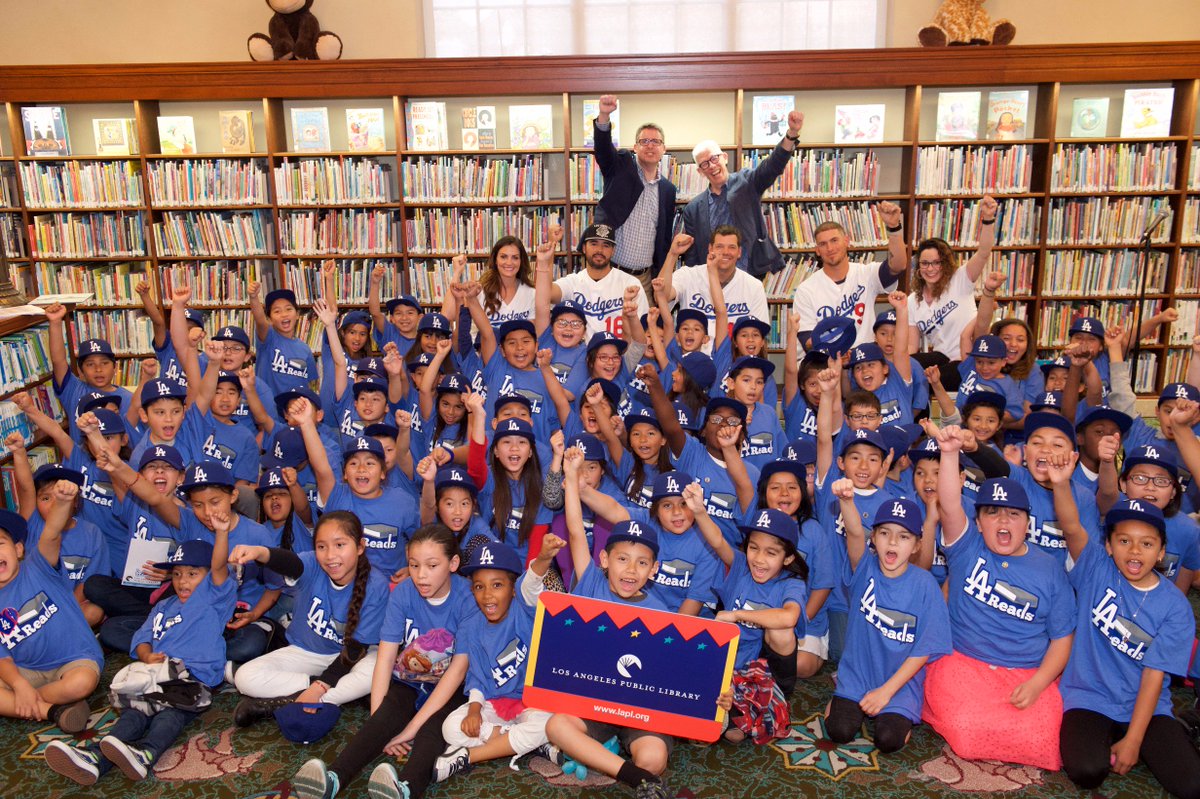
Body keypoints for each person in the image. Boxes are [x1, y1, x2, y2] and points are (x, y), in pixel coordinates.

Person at [924, 425, 1075, 771]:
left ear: (1027, 523)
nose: (1003, 519)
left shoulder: (1048, 568)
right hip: (963, 663)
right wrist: (949, 452)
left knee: (1046, 738)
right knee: (965, 730)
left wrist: (1038, 684)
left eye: (1013, 514)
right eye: (992, 512)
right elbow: (948, 504)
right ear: (977, 522)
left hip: (1024, 671)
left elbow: (1062, 637)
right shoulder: (966, 547)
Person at [1048, 458, 1200, 799]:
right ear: (1108, 545)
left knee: (1191, 786)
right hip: (1088, 696)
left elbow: (1154, 675)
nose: (1134, 551)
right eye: (1124, 541)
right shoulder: (1096, 568)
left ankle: (1174, 731)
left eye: (1146, 544)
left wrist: (1134, 739)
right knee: (1087, 771)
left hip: (1144, 703)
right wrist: (1060, 484)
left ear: (1161, 552)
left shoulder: (1175, 606)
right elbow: (1072, 528)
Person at [44, 524, 235, 786]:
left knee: (170, 714)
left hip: (193, 679)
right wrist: (146, 656)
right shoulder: (163, 605)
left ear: (208, 576)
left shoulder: (212, 600)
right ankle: (95, 758)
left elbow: (220, 569)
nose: (183, 580)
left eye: (193, 573)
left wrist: (222, 533)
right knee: (134, 713)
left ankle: (146, 753)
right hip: (157, 675)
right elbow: (142, 637)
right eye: (177, 574)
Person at [431, 536, 564, 784]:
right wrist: (474, 710)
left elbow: (531, 583)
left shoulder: (524, 608)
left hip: (532, 702)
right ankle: (529, 744)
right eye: (479, 587)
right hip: (497, 704)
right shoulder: (472, 626)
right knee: (451, 726)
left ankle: (469, 755)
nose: (488, 595)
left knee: (548, 723)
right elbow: (478, 678)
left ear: (512, 589)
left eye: (497, 585)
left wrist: (545, 557)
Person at [826, 490, 950, 754]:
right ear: (874, 538)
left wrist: (886, 692)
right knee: (839, 731)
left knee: (888, 740)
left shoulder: (925, 585)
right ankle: (841, 692)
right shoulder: (865, 568)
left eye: (904, 536)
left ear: (917, 545)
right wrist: (847, 501)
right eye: (884, 533)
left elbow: (924, 649)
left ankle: (895, 711)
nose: (893, 542)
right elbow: (855, 533)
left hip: (900, 683)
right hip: (858, 676)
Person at [0, 482, 100, 736]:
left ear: (19, 549)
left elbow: (52, 533)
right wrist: (19, 683)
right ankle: (53, 712)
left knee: (81, 683)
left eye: (0, 543)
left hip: (73, 659)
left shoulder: (38, 565)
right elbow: (3, 658)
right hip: (27, 670)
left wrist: (64, 502)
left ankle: (27, 704)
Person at [681, 110, 804, 276]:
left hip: (749, 275)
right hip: (712, 280)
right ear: (700, 171)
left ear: (724, 157)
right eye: (704, 164)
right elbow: (692, 255)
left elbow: (772, 166)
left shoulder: (747, 182)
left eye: (714, 158)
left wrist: (791, 134)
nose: (711, 166)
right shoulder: (693, 209)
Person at [591, 95, 677, 299]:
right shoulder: (621, 167)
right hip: (611, 272)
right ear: (635, 147)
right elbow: (603, 150)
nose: (650, 146)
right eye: (644, 141)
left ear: (664, 149)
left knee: (644, 329)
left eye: (655, 141)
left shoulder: (667, 190)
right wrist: (604, 115)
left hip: (645, 279)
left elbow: (663, 236)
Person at [791, 201, 908, 348]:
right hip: (829, 359)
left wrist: (894, 227)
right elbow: (807, 340)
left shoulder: (866, 273)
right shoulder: (806, 290)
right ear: (817, 251)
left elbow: (898, 265)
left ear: (846, 241)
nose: (830, 248)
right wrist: (835, 352)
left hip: (865, 357)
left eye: (834, 240)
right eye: (823, 244)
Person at [907, 196, 998, 370]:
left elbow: (984, 252)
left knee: (934, 378)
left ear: (946, 263)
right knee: (911, 366)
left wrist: (988, 219)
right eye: (925, 263)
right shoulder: (913, 301)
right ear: (918, 266)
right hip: (941, 360)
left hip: (967, 358)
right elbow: (912, 347)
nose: (930, 269)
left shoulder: (960, 280)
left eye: (937, 262)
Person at [657, 227, 769, 349]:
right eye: (719, 246)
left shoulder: (754, 286)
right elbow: (662, 296)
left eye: (731, 247)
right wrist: (673, 254)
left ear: (739, 252)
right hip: (692, 358)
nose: (725, 252)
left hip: (731, 360)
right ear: (710, 249)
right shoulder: (688, 275)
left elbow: (758, 335)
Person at [542, 223, 648, 338]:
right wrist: (550, 250)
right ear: (584, 248)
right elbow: (546, 294)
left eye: (606, 245)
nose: (599, 250)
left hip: (617, 353)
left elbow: (642, 332)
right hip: (582, 354)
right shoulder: (573, 282)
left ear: (613, 251)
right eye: (594, 244)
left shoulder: (630, 283)